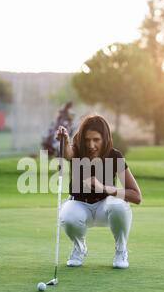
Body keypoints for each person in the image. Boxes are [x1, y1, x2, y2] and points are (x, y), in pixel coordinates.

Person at [55, 114, 142, 269]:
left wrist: (104, 188)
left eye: (96, 140)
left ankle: (121, 250)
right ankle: (79, 248)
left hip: (105, 208)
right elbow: (67, 153)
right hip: (79, 206)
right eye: (87, 140)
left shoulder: (114, 156)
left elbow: (136, 196)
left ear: (105, 139)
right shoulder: (78, 151)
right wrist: (65, 141)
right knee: (67, 215)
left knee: (119, 205)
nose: (91, 145)